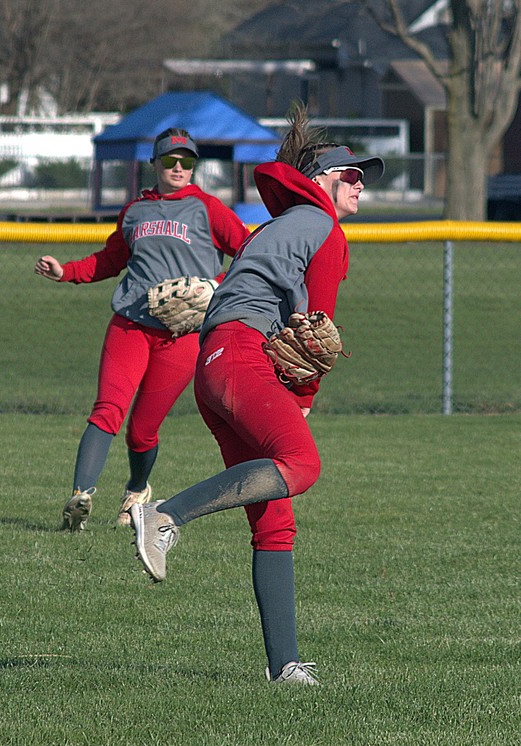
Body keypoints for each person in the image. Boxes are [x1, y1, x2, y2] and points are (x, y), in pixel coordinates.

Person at [129, 103, 385, 686]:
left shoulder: (276, 227)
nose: (360, 182)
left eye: (362, 174)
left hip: (214, 367)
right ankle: (164, 515)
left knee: (275, 524)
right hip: (242, 360)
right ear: (319, 182)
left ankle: (284, 666)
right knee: (302, 463)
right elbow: (317, 329)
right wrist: (305, 397)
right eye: (350, 174)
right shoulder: (324, 229)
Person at [34, 128, 250, 531]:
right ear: (154, 164)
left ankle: (137, 489)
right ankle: (80, 496)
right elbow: (111, 259)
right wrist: (66, 272)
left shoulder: (208, 209)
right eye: (170, 160)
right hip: (130, 325)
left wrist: (217, 284)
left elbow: (248, 252)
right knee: (107, 410)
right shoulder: (135, 210)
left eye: (187, 161)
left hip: (182, 337)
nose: (179, 167)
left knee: (142, 431)